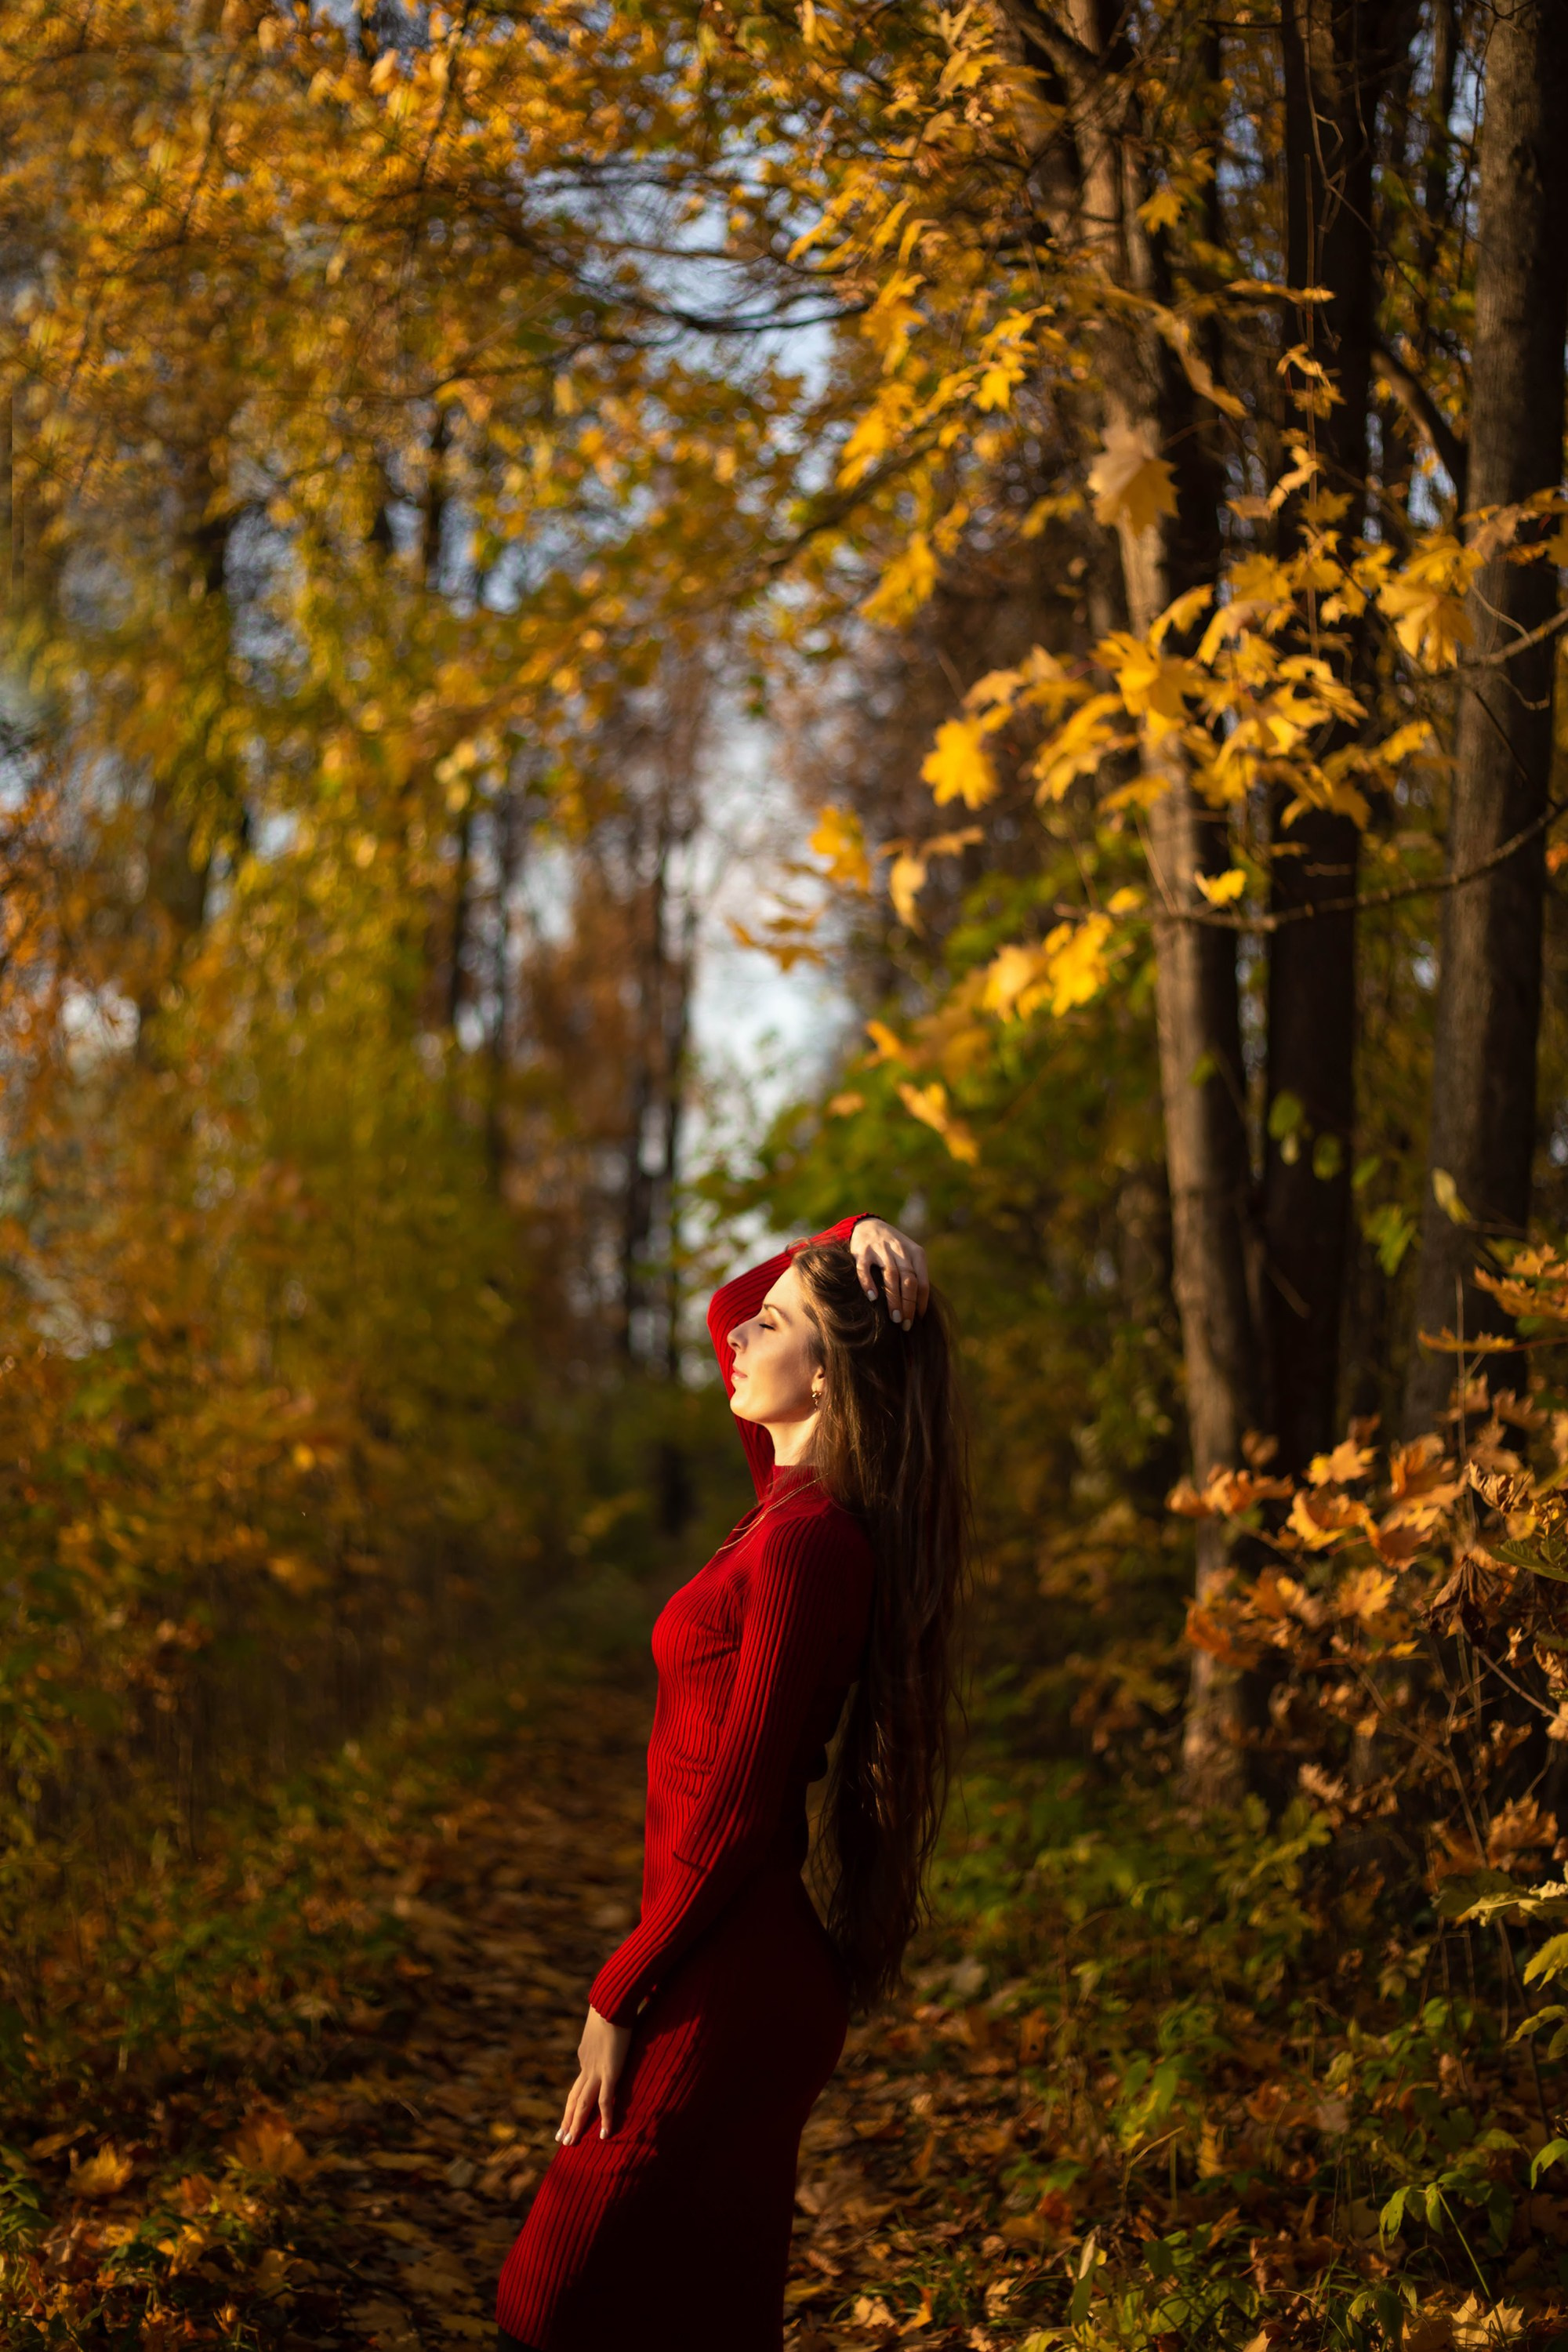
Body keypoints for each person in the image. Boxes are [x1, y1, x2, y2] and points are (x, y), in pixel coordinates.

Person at [494, 1212, 967, 2352]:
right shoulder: (780, 1510)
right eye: (760, 1324)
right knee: (700, 2320)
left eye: (779, 1325)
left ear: (830, 1369)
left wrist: (617, 1995)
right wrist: (854, 1232)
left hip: (729, 1985)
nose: (740, 1338)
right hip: (725, 1968)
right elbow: (722, 1311)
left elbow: (743, 1814)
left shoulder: (812, 1543)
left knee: (545, 2306)